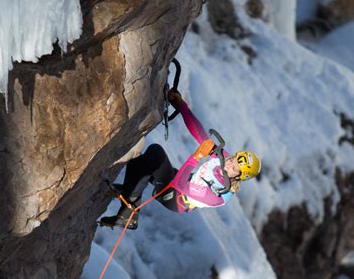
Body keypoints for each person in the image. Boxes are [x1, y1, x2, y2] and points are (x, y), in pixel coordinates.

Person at [99, 89, 261, 229]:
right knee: (138, 162)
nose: (230, 164)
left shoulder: (216, 196)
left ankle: (128, 214)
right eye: (233, 159)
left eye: (234, 168)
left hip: (176, 197)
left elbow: (181, 185)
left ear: (239, 176)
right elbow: (201, 135)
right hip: (180, 180)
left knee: (155, 154)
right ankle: (129, 194)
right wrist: (181, 106)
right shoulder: (225, 160)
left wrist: (197, 156)